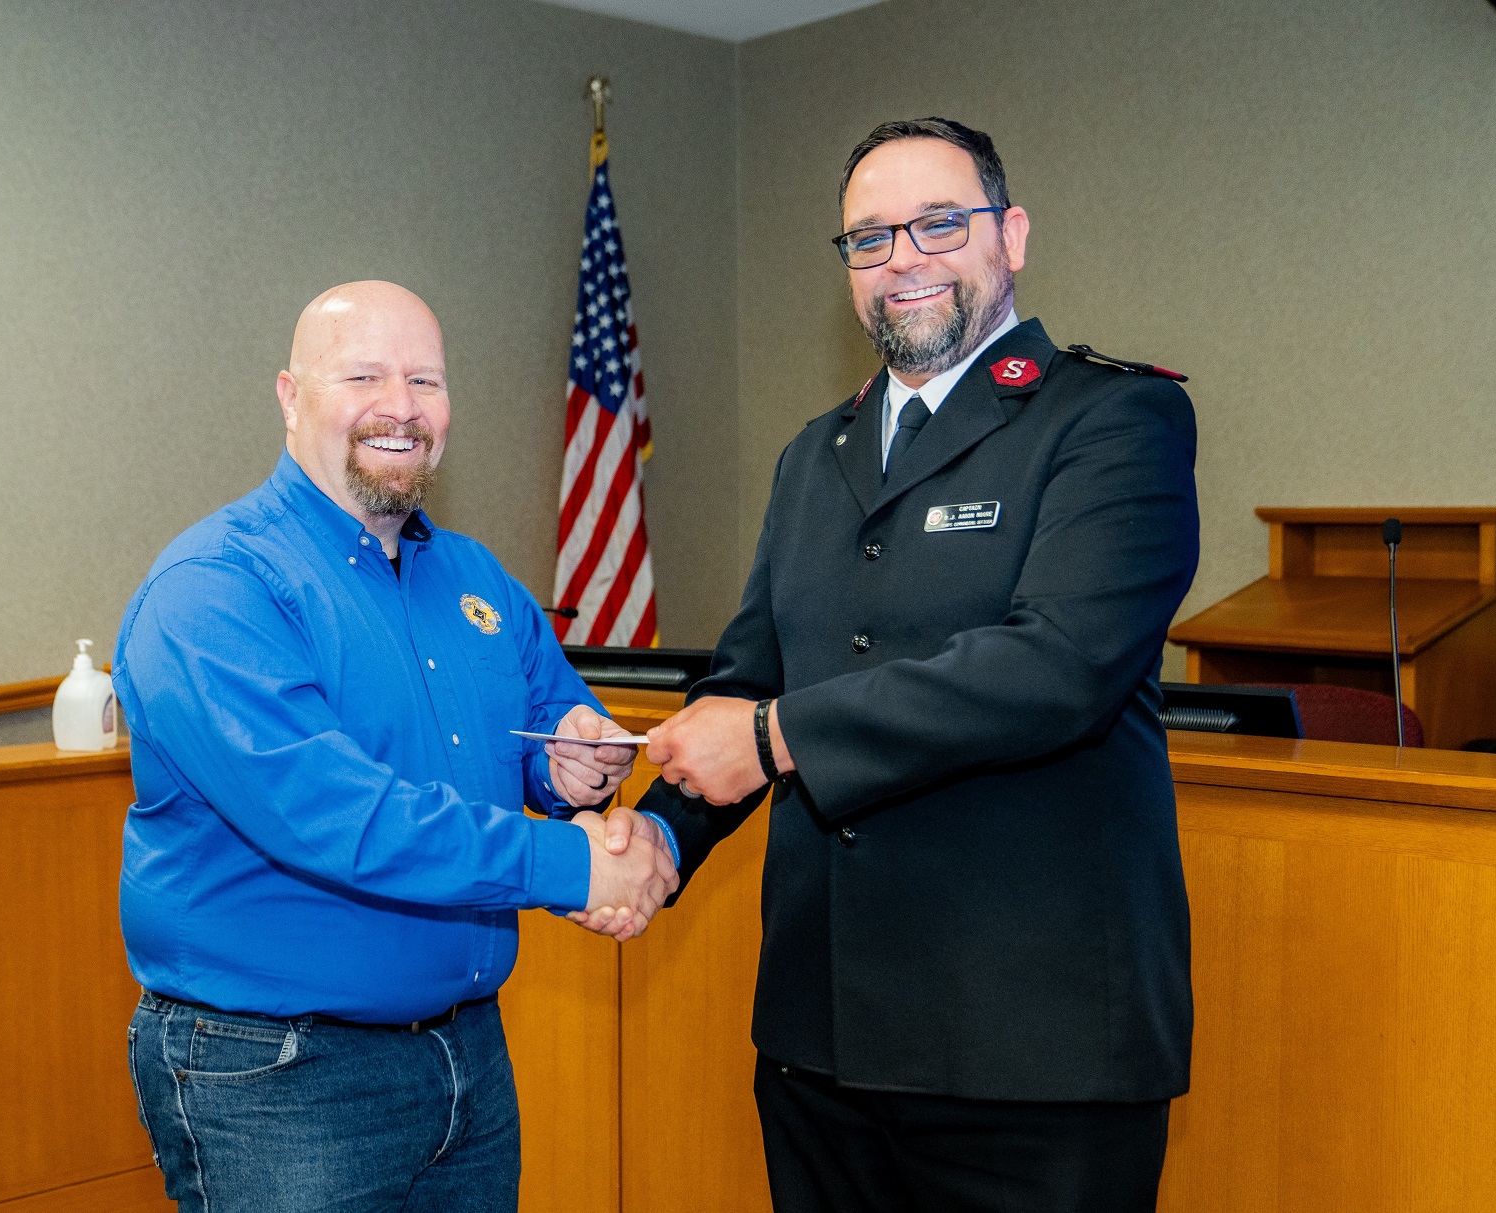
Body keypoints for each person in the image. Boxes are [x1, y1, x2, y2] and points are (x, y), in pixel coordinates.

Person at [607, 119, 1202, 1212]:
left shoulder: (1115, 418)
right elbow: (750, 675)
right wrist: (656, 838)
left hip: (1032, 1052)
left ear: (1010, 236)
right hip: (821, 1042)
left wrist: (774, 739)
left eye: (939, 224)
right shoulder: (812, 454)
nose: (903, 259)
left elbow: (1059, 667)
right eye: (870, 238)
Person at [115, 280, 678, 1212]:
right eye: (364, 376)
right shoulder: (214, 589)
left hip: (468, 1057)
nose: (401, 406)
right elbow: (341, 817)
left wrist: (573, 765)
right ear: (291, 397)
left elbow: (552, 720)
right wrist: (576, 864)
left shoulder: (473, 575)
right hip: (279, 1078)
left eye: (426, 380)